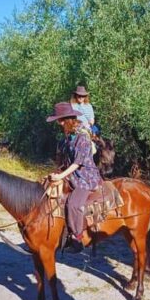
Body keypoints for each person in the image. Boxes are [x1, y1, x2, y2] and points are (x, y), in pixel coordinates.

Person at [47, 102, 103, 254]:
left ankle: (77, 238)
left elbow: (77, 163)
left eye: (60, 120)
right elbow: (65, 160)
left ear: (67, 120)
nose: (59, 123)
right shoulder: (67, 137)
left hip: (85, 177)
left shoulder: (82, 137)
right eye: (58, 120)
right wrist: (56, 173)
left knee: (73, 204)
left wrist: (60, 176)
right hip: (71, 174)